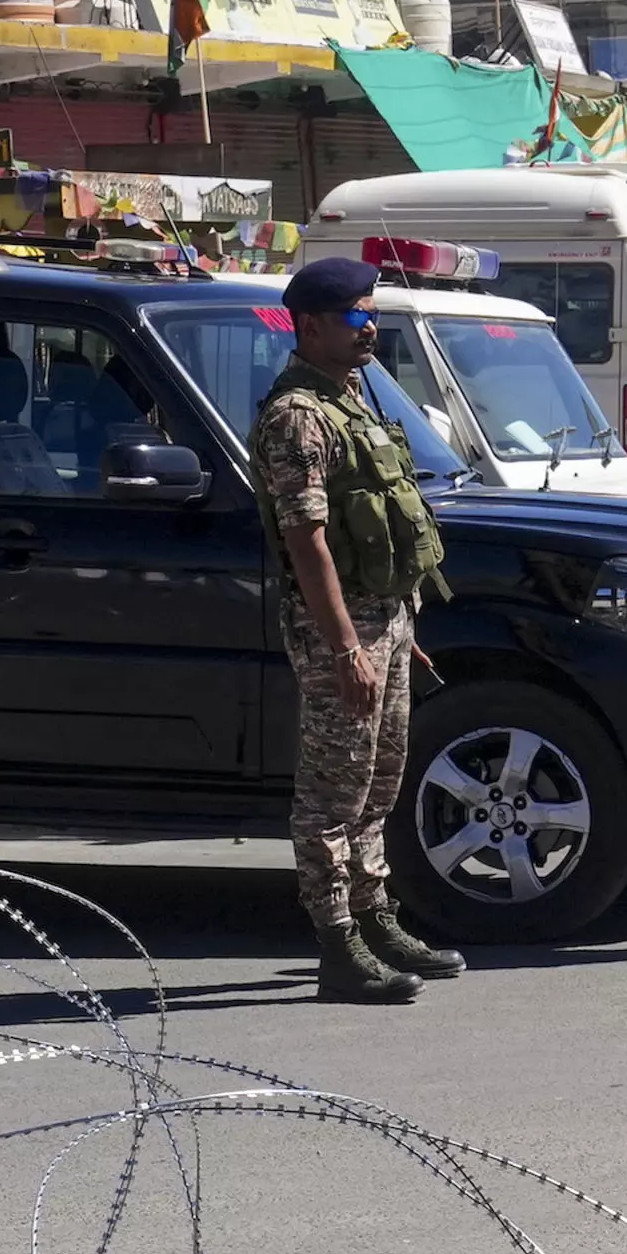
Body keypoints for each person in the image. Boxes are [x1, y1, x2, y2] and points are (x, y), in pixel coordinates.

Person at [250, 254, 460, 1003]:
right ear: (309, 325)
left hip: (387, 619)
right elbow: (305, 538)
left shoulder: (353, 394)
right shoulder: (297, 415)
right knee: (331, 793)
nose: (370, 327)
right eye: (354, 316)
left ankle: (376, 917)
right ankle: (337, 943)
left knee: (379, 783)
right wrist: (345, 644)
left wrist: (398, 623)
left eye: (372, 313)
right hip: (340, 628)